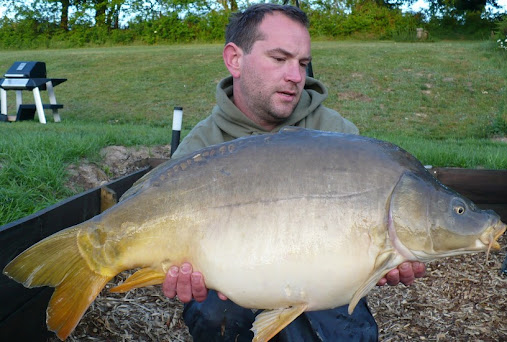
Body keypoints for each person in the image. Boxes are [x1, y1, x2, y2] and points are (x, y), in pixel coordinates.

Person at [161, 3, 426, 341]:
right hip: (230, 283)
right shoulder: (201, 147)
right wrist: (176, 273)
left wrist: (387, 260)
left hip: (319, 281)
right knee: (216, 313)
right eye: (279, 59)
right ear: (234, 59)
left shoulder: (337, 135)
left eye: (302, 63)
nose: (296, 77)